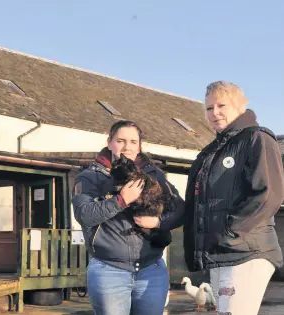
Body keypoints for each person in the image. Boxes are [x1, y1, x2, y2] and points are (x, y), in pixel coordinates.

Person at [183, 80, 284, 315]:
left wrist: (228, 231)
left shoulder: (257, 139)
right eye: (209, 108)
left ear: (239, 105)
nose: (214, 112)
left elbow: (269, 194)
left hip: (246, 253)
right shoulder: (209, 152)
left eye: (222, 105)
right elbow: (196, 205)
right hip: (221, 254)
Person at [72, 120, 184, 315]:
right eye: (121, 140)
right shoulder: (90, 177)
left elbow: (181, 210)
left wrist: (158, 222)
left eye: (133, 141)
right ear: (109, 142)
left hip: (152, 269)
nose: (127, 147)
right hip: (109, 270)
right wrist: (120, 201)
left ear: (139, 145)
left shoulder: (155, 176)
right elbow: (84, 215)